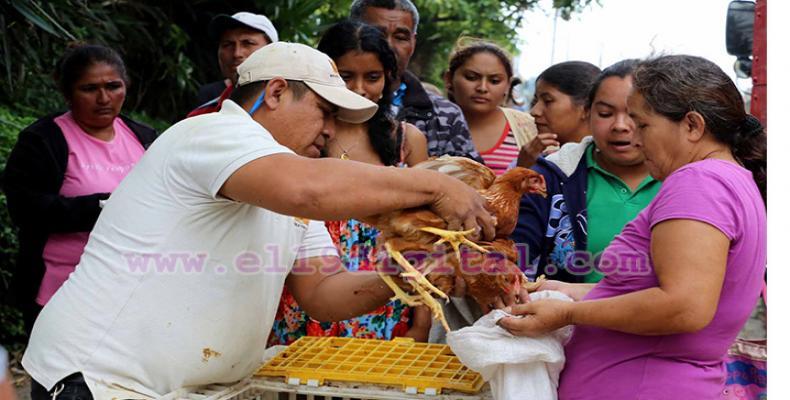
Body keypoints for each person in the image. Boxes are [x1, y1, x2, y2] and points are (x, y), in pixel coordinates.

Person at [22, 42, 496, 399]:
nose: (331, 129)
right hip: (98, 381)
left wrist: (406, 274)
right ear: (274, 92)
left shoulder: (286, 187)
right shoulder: (212, 133)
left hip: (176, 388)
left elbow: (323, 294)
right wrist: (436, 185)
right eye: (325, 111)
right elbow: (307, 188)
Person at [500, 55, 767, 399]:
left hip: (642, 384)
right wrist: (570, 291)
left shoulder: (698, 182)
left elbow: (684, 305)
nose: (635, 137)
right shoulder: (731, 178)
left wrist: (569, 312)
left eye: (643, 125)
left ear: (692, 126)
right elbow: (663, 288)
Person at [269, 20, 430, 345]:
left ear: (388, 79)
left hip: (384, 300)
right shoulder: (300, 138)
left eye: (372, 77)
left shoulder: (406, 140)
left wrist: (422, 322)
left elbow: (427, 235)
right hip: (305, 297)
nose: (359, 89)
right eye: (346, 76)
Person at [2, 44, 157, 335]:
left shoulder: (142, 137)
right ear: (67, 92)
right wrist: (101, 207)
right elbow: (25, 208)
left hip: (129, 288)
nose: (103, 98)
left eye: (113, 86)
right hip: (59, 291)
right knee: (62, 378)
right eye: (89, 88)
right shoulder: (43, 140)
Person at [511, 60, 660, 283]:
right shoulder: (551, 176)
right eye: (605, 113)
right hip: (564, 317)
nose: (620, 125)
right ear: (587, 113)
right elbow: (515, 252)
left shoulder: (688, 181)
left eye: (633, 115)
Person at [349, 0, 481, 161]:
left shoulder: (445, 116)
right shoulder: (325, 104)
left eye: (400, 37)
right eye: (377, 35)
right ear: (353, 35)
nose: (389, 46)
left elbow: (469, 182)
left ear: (413, 42)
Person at [444, 38, 538, 175]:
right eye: (471, 77)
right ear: (449, 79)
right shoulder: (430, 124)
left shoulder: (530, 129)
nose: (482, 88)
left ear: (507, 85)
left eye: (494, 81)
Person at [188, 11, 278, 116]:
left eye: (248, 43)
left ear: (273, 50)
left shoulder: (295, 108)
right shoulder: (202, 115)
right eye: (227, 44)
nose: (237, 53)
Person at [516, 61, 601, 168]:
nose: (534, 111)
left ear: (586, 109)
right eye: (535, 101)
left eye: (548, 101)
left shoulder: (611, 167)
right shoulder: (537, 161)